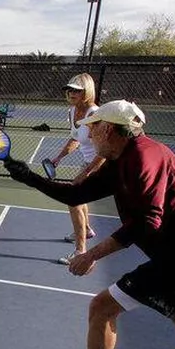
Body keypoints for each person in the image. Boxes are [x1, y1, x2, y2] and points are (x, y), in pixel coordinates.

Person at [3, 100, 175, 349]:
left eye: (93, 128)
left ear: (109, 130)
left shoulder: (143, 160)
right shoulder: (122, 157)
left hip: (173, 259)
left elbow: (147, 221)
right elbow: (76, 195)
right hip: (168, 255)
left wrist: (90, 255)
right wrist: (29, 177)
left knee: (102, 308)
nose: (89, 135)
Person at [48, 73, 103, 265]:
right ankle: (86, 230)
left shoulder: (95, 115)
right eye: (69, 89)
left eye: (76, 90)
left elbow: (104, 152)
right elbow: (75, 139)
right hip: (88, 163)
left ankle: (80, 252)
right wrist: (59, 158)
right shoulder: (72, 112)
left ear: (87, 91)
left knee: (73, 200)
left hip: (104, 164)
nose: (71, 93)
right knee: (80, 198)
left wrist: (86, 172)